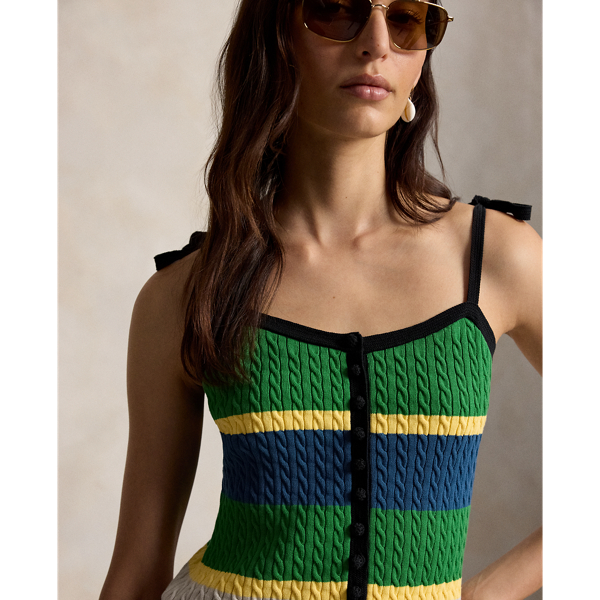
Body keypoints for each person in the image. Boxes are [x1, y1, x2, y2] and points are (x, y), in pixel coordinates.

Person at [99, 1, 542, 599]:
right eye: (336, 11)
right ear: (275, 42)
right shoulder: (184, 294)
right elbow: (137, 569)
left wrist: (483, 593)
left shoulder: (497, 258)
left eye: (407, 19)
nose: (376, 44)